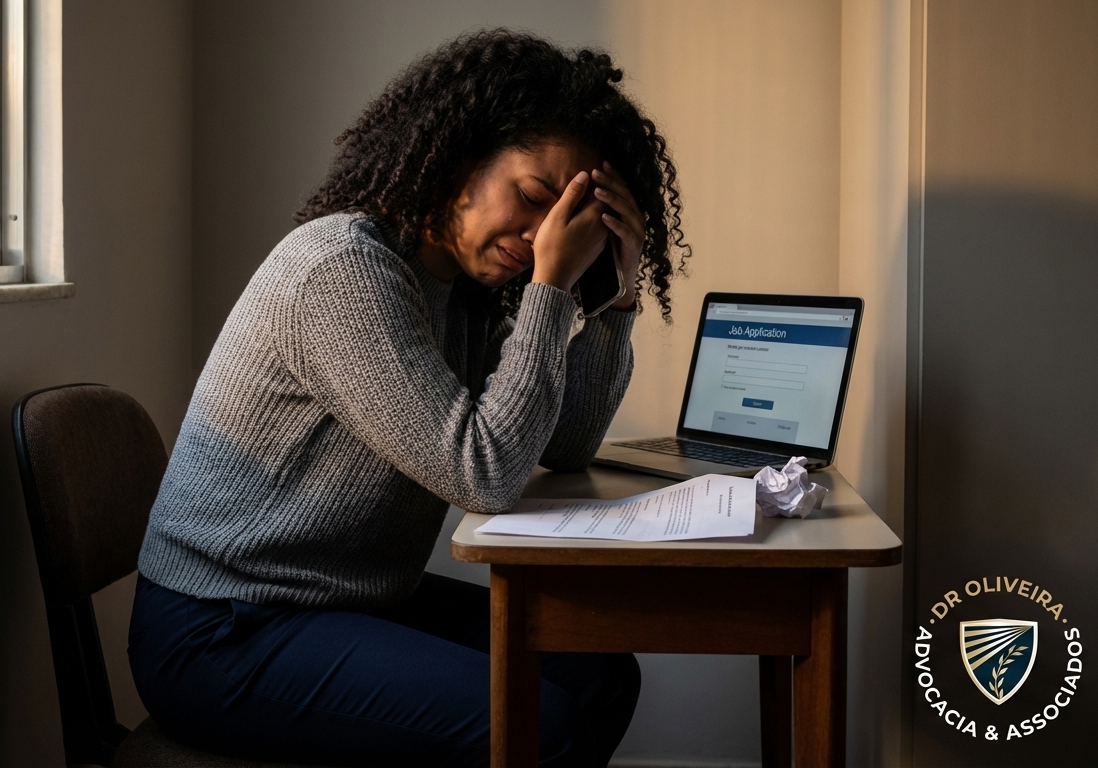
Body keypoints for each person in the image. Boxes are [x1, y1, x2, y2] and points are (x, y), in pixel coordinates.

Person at [129, 29, 689, 767]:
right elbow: (483, 475)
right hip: (223, 627)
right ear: (462, 158)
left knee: (601, 676)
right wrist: (552, 288)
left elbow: (565, 443)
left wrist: (614, 301)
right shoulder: (343, 270)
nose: (539, 234)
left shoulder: (465, 292)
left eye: (567, 222)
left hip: (345, 600)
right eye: (531, 198)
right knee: (539, 724)